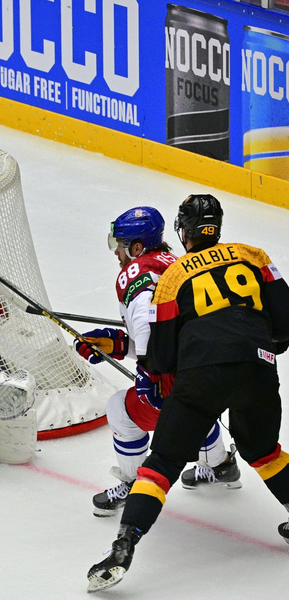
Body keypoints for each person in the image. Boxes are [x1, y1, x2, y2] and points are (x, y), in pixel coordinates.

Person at [87, 194, 289, 593]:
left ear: (184, 232)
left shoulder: (173, 278)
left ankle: (124, 546)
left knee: (161, 463)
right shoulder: (254, 255)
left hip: (201, 379)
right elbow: (284, 327)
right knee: (265, 451)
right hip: (258, 368)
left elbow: (160, 360)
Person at [74, 207, 239, 518]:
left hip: (181, 378)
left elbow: (151, 332)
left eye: (119, 246)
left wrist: (150, 376)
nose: (117, 254)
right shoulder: (174, 264)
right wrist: (119, 344)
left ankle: (134, 485)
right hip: (215, 368)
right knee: (195, 409)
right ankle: (221, 465)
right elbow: (169, 337)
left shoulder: (136, 274)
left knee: (120, 410)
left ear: (137, 247)